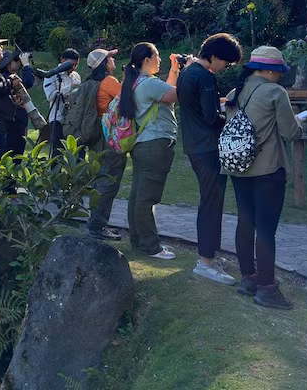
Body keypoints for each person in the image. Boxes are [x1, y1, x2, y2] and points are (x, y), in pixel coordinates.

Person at [224, 46, 302, 309]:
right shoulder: (274, 92)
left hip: (238, 168)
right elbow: (290, 132)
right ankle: (267, 288)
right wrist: (301, 125)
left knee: (245, 222)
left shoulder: (234, 93)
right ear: (270, 71)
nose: (279, 77)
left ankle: (249, 279)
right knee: (266, 229)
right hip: (267, 169)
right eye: (279, 72)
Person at [177, 33, 243, 284]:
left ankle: (210, 255)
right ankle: (205, 261)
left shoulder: (187, 72)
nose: (226, 67)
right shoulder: (205, 76)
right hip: (208, 148)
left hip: (194, 145)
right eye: (225, 62)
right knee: (211, 204)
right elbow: (210, 116)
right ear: (214, 56)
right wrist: (230, 118)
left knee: (210, 201)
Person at [119, 42, 181, 259]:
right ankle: (150, 246)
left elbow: (167, 92)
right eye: (157, 56)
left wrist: (174, 71)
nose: (160, 59)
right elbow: (178, 95)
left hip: (142, 144)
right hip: (155, 145)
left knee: (138, 195)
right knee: (147, 198)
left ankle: (138, 241)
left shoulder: (136, 83)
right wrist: (191, 70)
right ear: (146, 60)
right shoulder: (149, 84)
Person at [85, 48, 128, 241]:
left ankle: (96, 223)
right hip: (108, 135)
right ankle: (97, 226)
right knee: (108, 180)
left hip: (96, 135)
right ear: (104, 63)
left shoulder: (91, 82)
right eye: (110, 58)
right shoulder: (109, 81)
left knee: (100, 178)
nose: (113, 60)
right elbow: (128, 99)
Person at [0, 49, 35, 156]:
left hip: (15, 120)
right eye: (16, 60)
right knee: (14, 152)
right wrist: (26, 66)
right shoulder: (8, 78)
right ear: (8, 64)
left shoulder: (2, 77)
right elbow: (28, 82)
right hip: (13, 121)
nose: (19, 63)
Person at [42, 48, 81, 151]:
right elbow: (50, 96)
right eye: (71, 64)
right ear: (62, 60)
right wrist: (70, 88)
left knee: (77, 147)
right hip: (57, 116)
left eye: (76, 65)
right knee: (57, 149)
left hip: (72, 117)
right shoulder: (52, 75)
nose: (73, 68)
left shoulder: (76, 76)